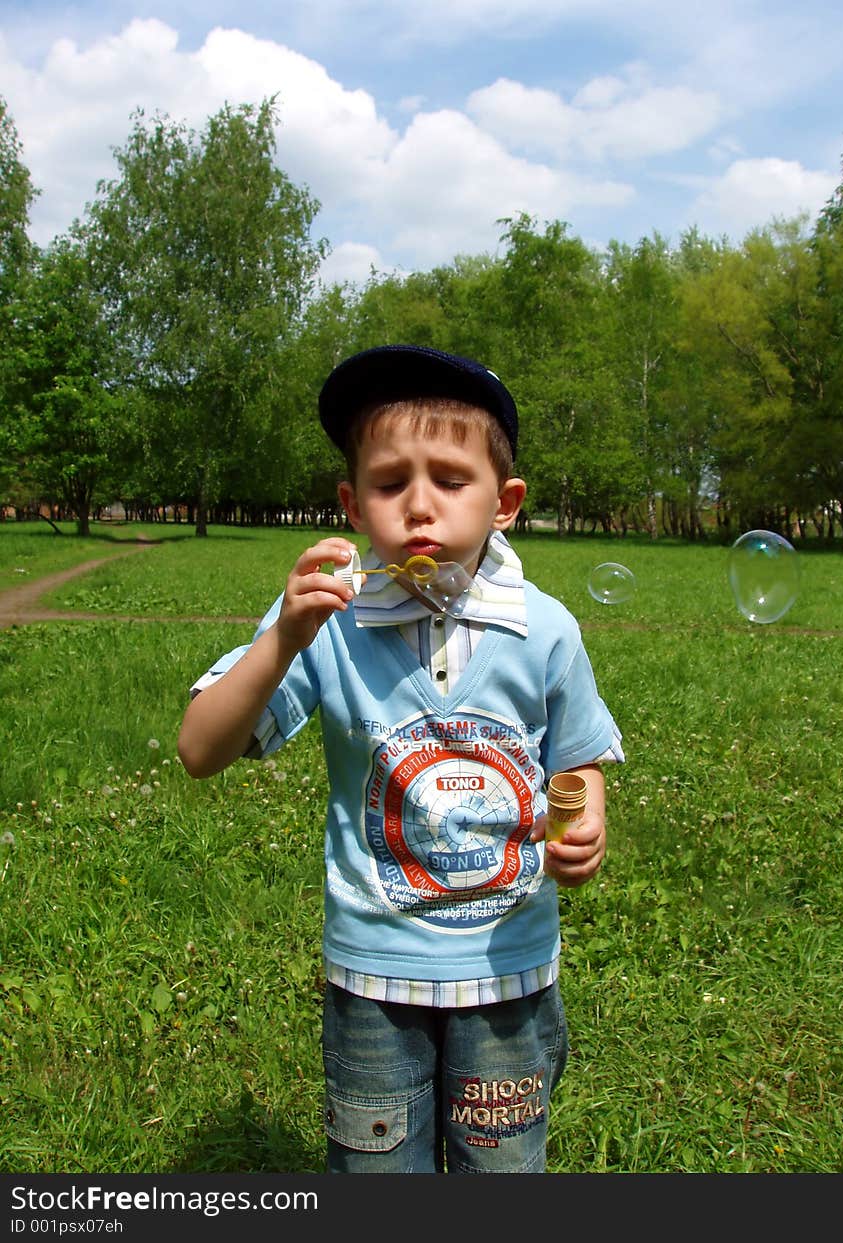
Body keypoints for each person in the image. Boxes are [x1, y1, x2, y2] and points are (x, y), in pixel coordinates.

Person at [177, 344, 624, 1174]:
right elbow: (201, 749)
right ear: (352, 502)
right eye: (389, 484)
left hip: (508, 973)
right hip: (373, 981)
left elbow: (578, 759)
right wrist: (284, 638)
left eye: (451, 481)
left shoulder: (547, 629)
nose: (419, 508)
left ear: (505, 503)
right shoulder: (325, 619)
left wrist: (586, 816)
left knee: (503, 1171)